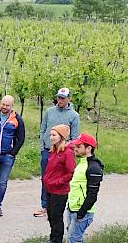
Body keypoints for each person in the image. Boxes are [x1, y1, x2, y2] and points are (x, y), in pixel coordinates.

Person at [35, 87, 80, 217]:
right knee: (45, 178)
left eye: (62, 98)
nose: (59, 100)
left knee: (59, 179)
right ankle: (45, 206)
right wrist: (43, 146)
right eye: (58, 97)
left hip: (62, 153)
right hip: (47, 151)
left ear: (69, 99)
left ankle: (55, 207)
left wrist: (65, 149)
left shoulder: (74, 116)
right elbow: (43, 129)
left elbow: (75, 138)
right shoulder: (49, 111)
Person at [67, 133, 104, 243]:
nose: (75, 149)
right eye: (75, 146)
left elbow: (93, 195)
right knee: (72, 239)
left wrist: (81, 213)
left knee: (74, 240)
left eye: (79, 146)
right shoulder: (82, 163)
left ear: (88, 148)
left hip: (82, 212)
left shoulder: (93, 168)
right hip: (72, 209)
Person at [43, 125, 76, 243]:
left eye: (54, 135)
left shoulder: (67, 153)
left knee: (56, 218)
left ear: (62, 137)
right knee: (51, 217)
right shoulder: (53, 151)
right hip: (50, 189)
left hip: (59, 191)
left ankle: (56, 240)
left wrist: (57, 182)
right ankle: (53, 238)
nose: (51, 137)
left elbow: (71, 172)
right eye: (51, 135)